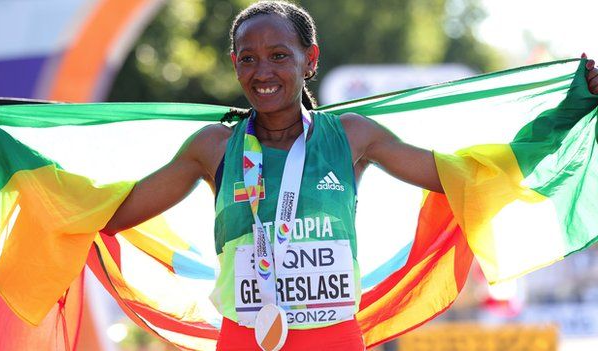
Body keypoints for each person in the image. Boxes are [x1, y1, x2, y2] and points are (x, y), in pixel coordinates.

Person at [102, 1, 598, 350]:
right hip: (246, 338)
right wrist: (31, 170)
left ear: (309, 60)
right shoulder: (214, 146)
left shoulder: (353, 137)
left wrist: (568, 111)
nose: (263, 71)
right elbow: (116, 214)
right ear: (235, 66)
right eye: (248, 59)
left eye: (280, 55)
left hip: (334, 339)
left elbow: (467, 178)